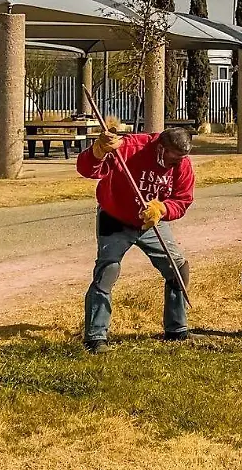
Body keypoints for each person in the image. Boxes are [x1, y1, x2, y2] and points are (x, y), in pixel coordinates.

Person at [77, 127, 195, 354]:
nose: (176, 163)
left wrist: (162, 208)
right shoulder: (129, 148)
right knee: (107, 271)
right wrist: (98, 151)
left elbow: (182, 199)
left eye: (181, 158)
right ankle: (95, 337)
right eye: (172, 156)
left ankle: (177, 330)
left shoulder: (183, 165)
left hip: (151, 221)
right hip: (115, 217)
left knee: (178, 269)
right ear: (161, 147)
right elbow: (87, 170)